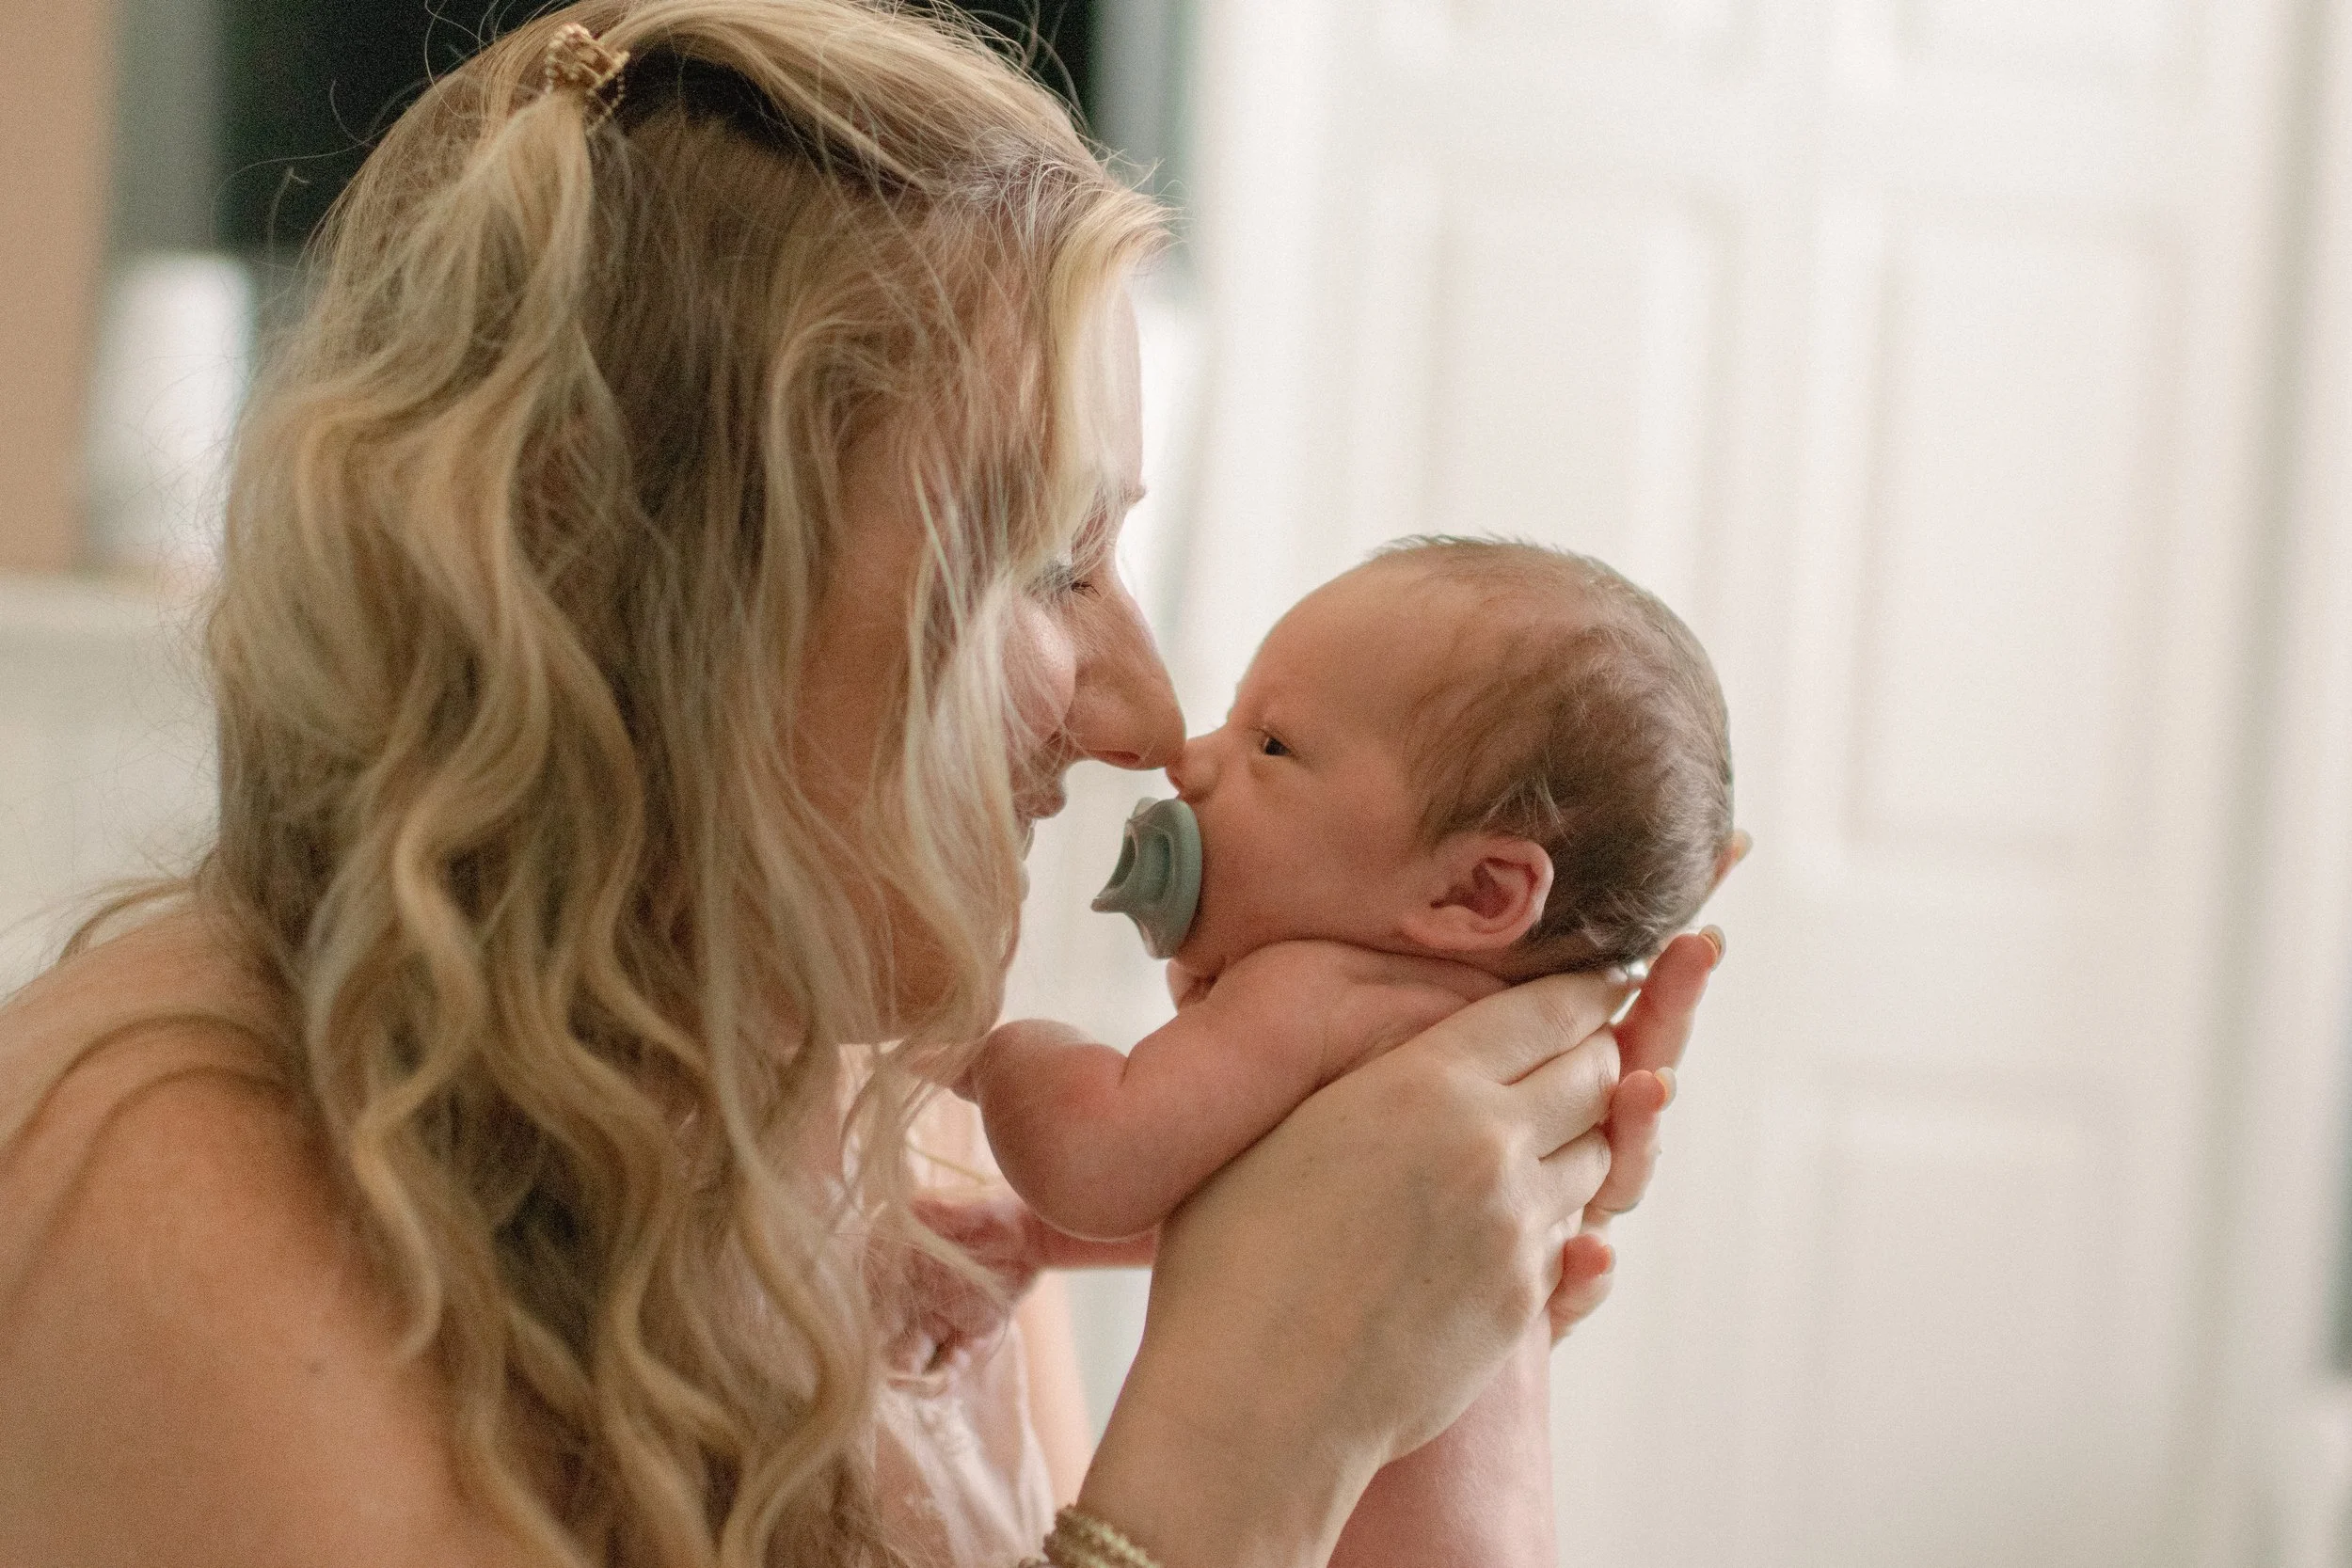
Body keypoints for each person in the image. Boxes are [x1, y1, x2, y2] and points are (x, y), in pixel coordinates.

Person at [0, 5, 1724, 1566]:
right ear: (655, 586)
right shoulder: (165, 1197)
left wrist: (1412, 1353)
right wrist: (1251, 1441)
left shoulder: (888, 1123)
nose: (1146, 716)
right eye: (1049, 568)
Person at [969, 538, 1740, 1568]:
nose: (1190, 757)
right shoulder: (1478, 1068)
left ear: (1474, 894)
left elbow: (1091, 1155)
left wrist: (979, 1047)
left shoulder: (1308, 998)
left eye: (1273, 745)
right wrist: (1029, 1244)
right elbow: (1278, 1230)